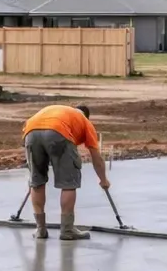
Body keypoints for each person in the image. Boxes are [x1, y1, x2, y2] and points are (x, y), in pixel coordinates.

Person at [21, 103, 109, 241]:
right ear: (86, 116)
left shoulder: (61, 111)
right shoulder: (85, 122)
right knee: (69, 182)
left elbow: (36, 139)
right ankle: (67, 230)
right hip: (58, 132)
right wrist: (103, 179)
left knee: (36, 182)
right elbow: (96, 157)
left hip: (30, 131)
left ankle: (40, 230)